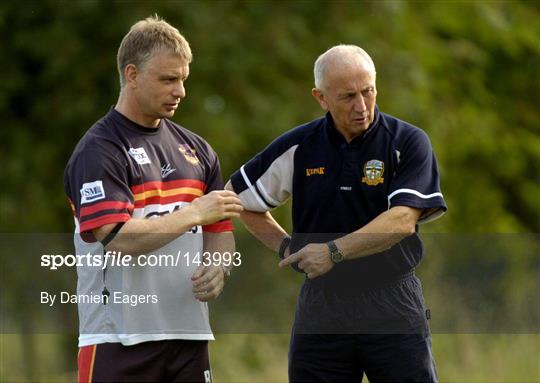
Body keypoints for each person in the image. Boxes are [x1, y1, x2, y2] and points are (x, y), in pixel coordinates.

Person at [226, 45, 447, 382]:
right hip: (322, 304)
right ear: (321, 97)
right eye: (347, 97)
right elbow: (235, 198)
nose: (361, 107)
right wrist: (286, 247)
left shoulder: (408, 142)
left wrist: (333, 252)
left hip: (391, 300)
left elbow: (402, 220)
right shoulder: (299, 146)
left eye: (368, 91)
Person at [64, 15, 243, 383]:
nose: (180, 91)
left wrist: (219, 266)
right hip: (117, 341)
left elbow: (220, 229)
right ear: (131, 74)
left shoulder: (198, 150)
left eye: (183, 79)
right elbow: (118, 238)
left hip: (188, 339)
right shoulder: (100, 150)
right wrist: (193, 212)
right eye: (168, 79)